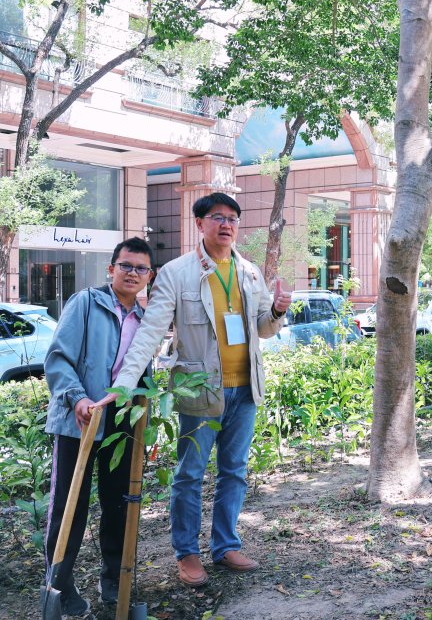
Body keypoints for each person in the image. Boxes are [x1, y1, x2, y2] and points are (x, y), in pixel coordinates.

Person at [109, 193, 291, 587]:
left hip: (245, 389)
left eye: (232, 219)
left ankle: (225, 545)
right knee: (190, 474)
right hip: (199, 390)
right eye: (217, 217)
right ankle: (187, 554)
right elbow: (150, 333)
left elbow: (262, 327)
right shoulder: (176, 273)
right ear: (199, 223)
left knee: (235, 472)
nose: (226, 225)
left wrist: (277, 310)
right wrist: (123, 386)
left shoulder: (250, 272)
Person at [42, 238, 155, 614]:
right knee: (69, 507)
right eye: (126, 265)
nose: (132, 273)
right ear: (111, 268)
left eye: (140, 268)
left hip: (122, 428)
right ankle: (59, 588)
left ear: (148, 276)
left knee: (119, 505)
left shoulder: (145, 320)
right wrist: (78, 398)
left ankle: (114, 582)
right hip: (80, 422)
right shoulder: (86, 303)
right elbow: (58, 359)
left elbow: (142, 377)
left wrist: (144, 423)